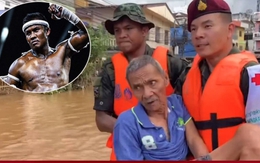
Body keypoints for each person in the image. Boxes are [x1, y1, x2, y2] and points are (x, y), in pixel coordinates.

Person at [114, 55, 260, 161]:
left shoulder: (176, 104)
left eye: (152, 83)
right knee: (247, 135)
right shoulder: (126, 122)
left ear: (165, 79)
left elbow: (194, 140)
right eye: (138, 87)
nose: (146, 94)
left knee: (250, 135)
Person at [93, 3, 189, 160]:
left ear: (144, 31)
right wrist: (137, 133)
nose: (122, 34)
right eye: (117, 30)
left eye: (128, 28)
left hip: (170, 150)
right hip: (128, 149)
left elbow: (188, 107)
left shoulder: (170, 63)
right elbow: (101, 120)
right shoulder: (109, 70)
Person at [174, 0, 260, 153]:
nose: (198, 34)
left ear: (230, 30)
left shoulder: (251, 73)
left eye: (207, 26)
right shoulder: (186, 76)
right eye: (193, 29)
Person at [5, 3, 89, 93]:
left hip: (61, 104)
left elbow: (86, 33)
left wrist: (65, 13)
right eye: (28, 33)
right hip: (35, 106)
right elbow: (8, 93)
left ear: (47, 31)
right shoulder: (19, 64)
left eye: (36, 30)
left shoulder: (62, 51)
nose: (32, 36)